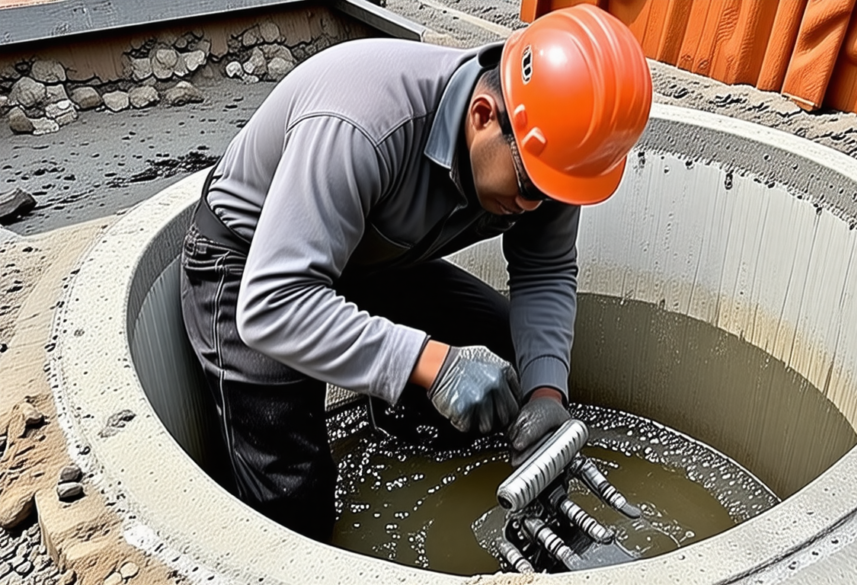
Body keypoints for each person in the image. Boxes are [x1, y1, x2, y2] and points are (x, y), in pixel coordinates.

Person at [179, 4, 652, 542]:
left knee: (509, 362)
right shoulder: (361, 122)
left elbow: (544, 270)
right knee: (296, 503)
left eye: (557, 194)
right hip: (249, 265)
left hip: (371, 261)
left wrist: (547, 396)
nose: (537, 206)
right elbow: (274, 304)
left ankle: (401, 423)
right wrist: (433, 364)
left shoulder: (546, 155)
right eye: (530, 189)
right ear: (481, 116)